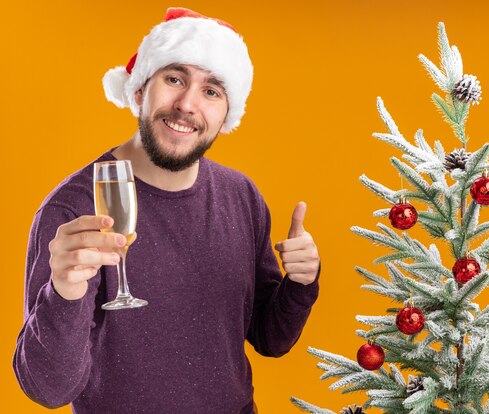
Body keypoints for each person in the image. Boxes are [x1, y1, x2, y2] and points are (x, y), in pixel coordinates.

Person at [12, 7, 320, 414]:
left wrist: (301, 283)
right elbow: (49, 389)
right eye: (174, 78)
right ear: (140, 89)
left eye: (211, 91)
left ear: (226, 115)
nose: (188, 104)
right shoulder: (74, 211)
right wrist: (64, 293)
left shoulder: (241, 196)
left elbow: (270, 338)